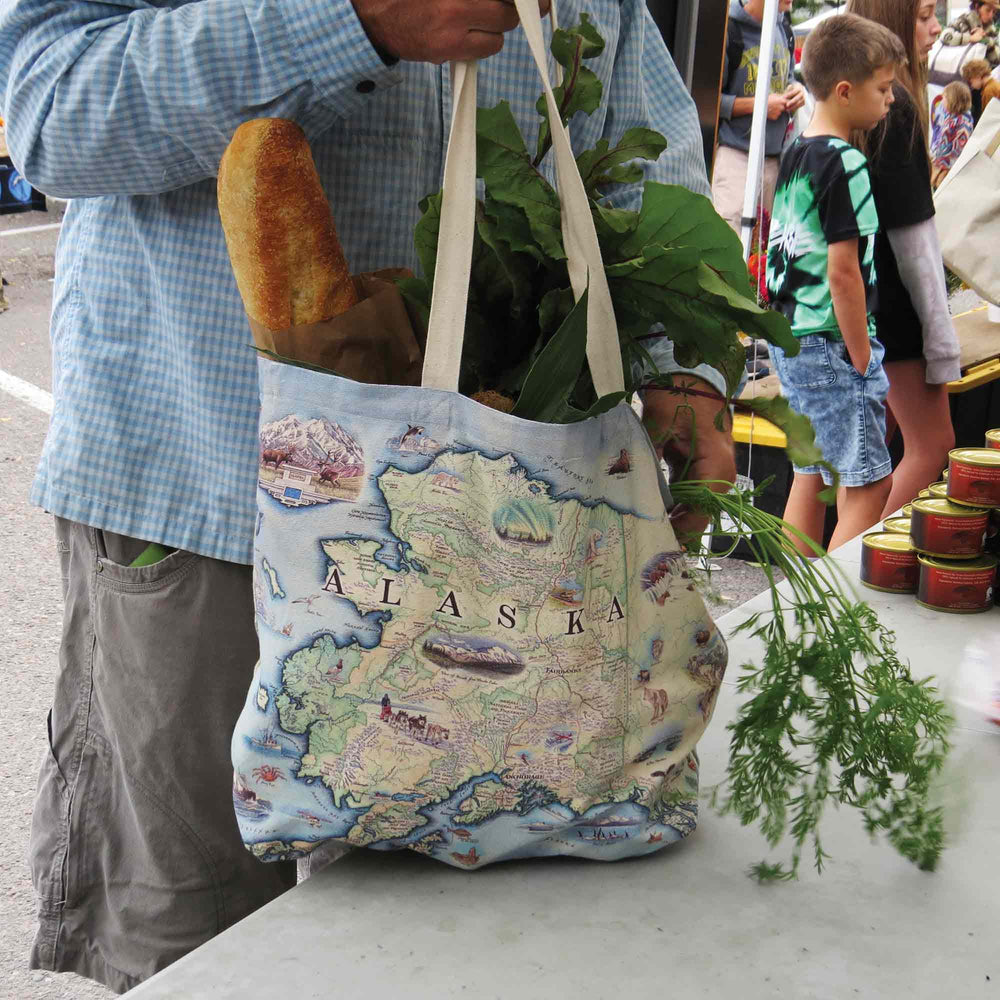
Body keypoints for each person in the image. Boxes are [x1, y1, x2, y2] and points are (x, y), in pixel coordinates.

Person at [0, 0, 737, 991]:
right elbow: (54, 110)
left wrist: (684, 369)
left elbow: (642, 152)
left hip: (498, 528)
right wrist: (352, 21)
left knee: (470, 939)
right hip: (196, 493)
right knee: (202, 945)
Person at [765, 13, 906, 554]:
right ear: (846, 92)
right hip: (833, 341)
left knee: (811, 473)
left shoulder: (800, 149)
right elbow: (843, 271)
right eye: (884, 88)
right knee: (870, 483)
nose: (891, 99)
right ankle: (837, 614)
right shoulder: (847, 162)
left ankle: (798, 608)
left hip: (792, 339)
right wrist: (863, 358)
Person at [847, 0, 962, 516]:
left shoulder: (849, 102)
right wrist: (940, 337)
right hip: (894, 309)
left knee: (851, 465)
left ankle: (833, 579)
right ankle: (850, 574)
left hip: (859, 304)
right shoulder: (897, 111)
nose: (936, 27)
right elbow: (914, 243)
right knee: (931, 446)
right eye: (923, 15)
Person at [713, 0, 808, 233]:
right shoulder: (729, 28)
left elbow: (788, 79)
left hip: (775, 160)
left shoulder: (784, 29)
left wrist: (796, 90)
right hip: (735, 156)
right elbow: (708, 101)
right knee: (729, 242)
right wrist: (758, 105)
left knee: (769, 248)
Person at [930, 81, 974, 186]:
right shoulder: (951, 117)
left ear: (952, 100)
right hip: (942, 165)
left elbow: (955, 150)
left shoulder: (960, 123)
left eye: (944, 97)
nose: (942, 100)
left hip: (949, 169)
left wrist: (937, 157)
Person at [940, 0, 1000, 68]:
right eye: (988, 10)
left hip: (980, 72)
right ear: (977, 6)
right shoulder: (962, 21)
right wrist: (970, 38)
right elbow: (945, 37)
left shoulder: (991, 29)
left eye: (994, 12)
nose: (991, 15)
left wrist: (986, 41)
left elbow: (997, 60)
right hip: (955, 70)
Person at [961, 56, 994, 122]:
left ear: (977, 77)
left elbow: (988, 117)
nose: (972, 86)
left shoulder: (989, 91)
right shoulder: (992, 85)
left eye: (971, 82)